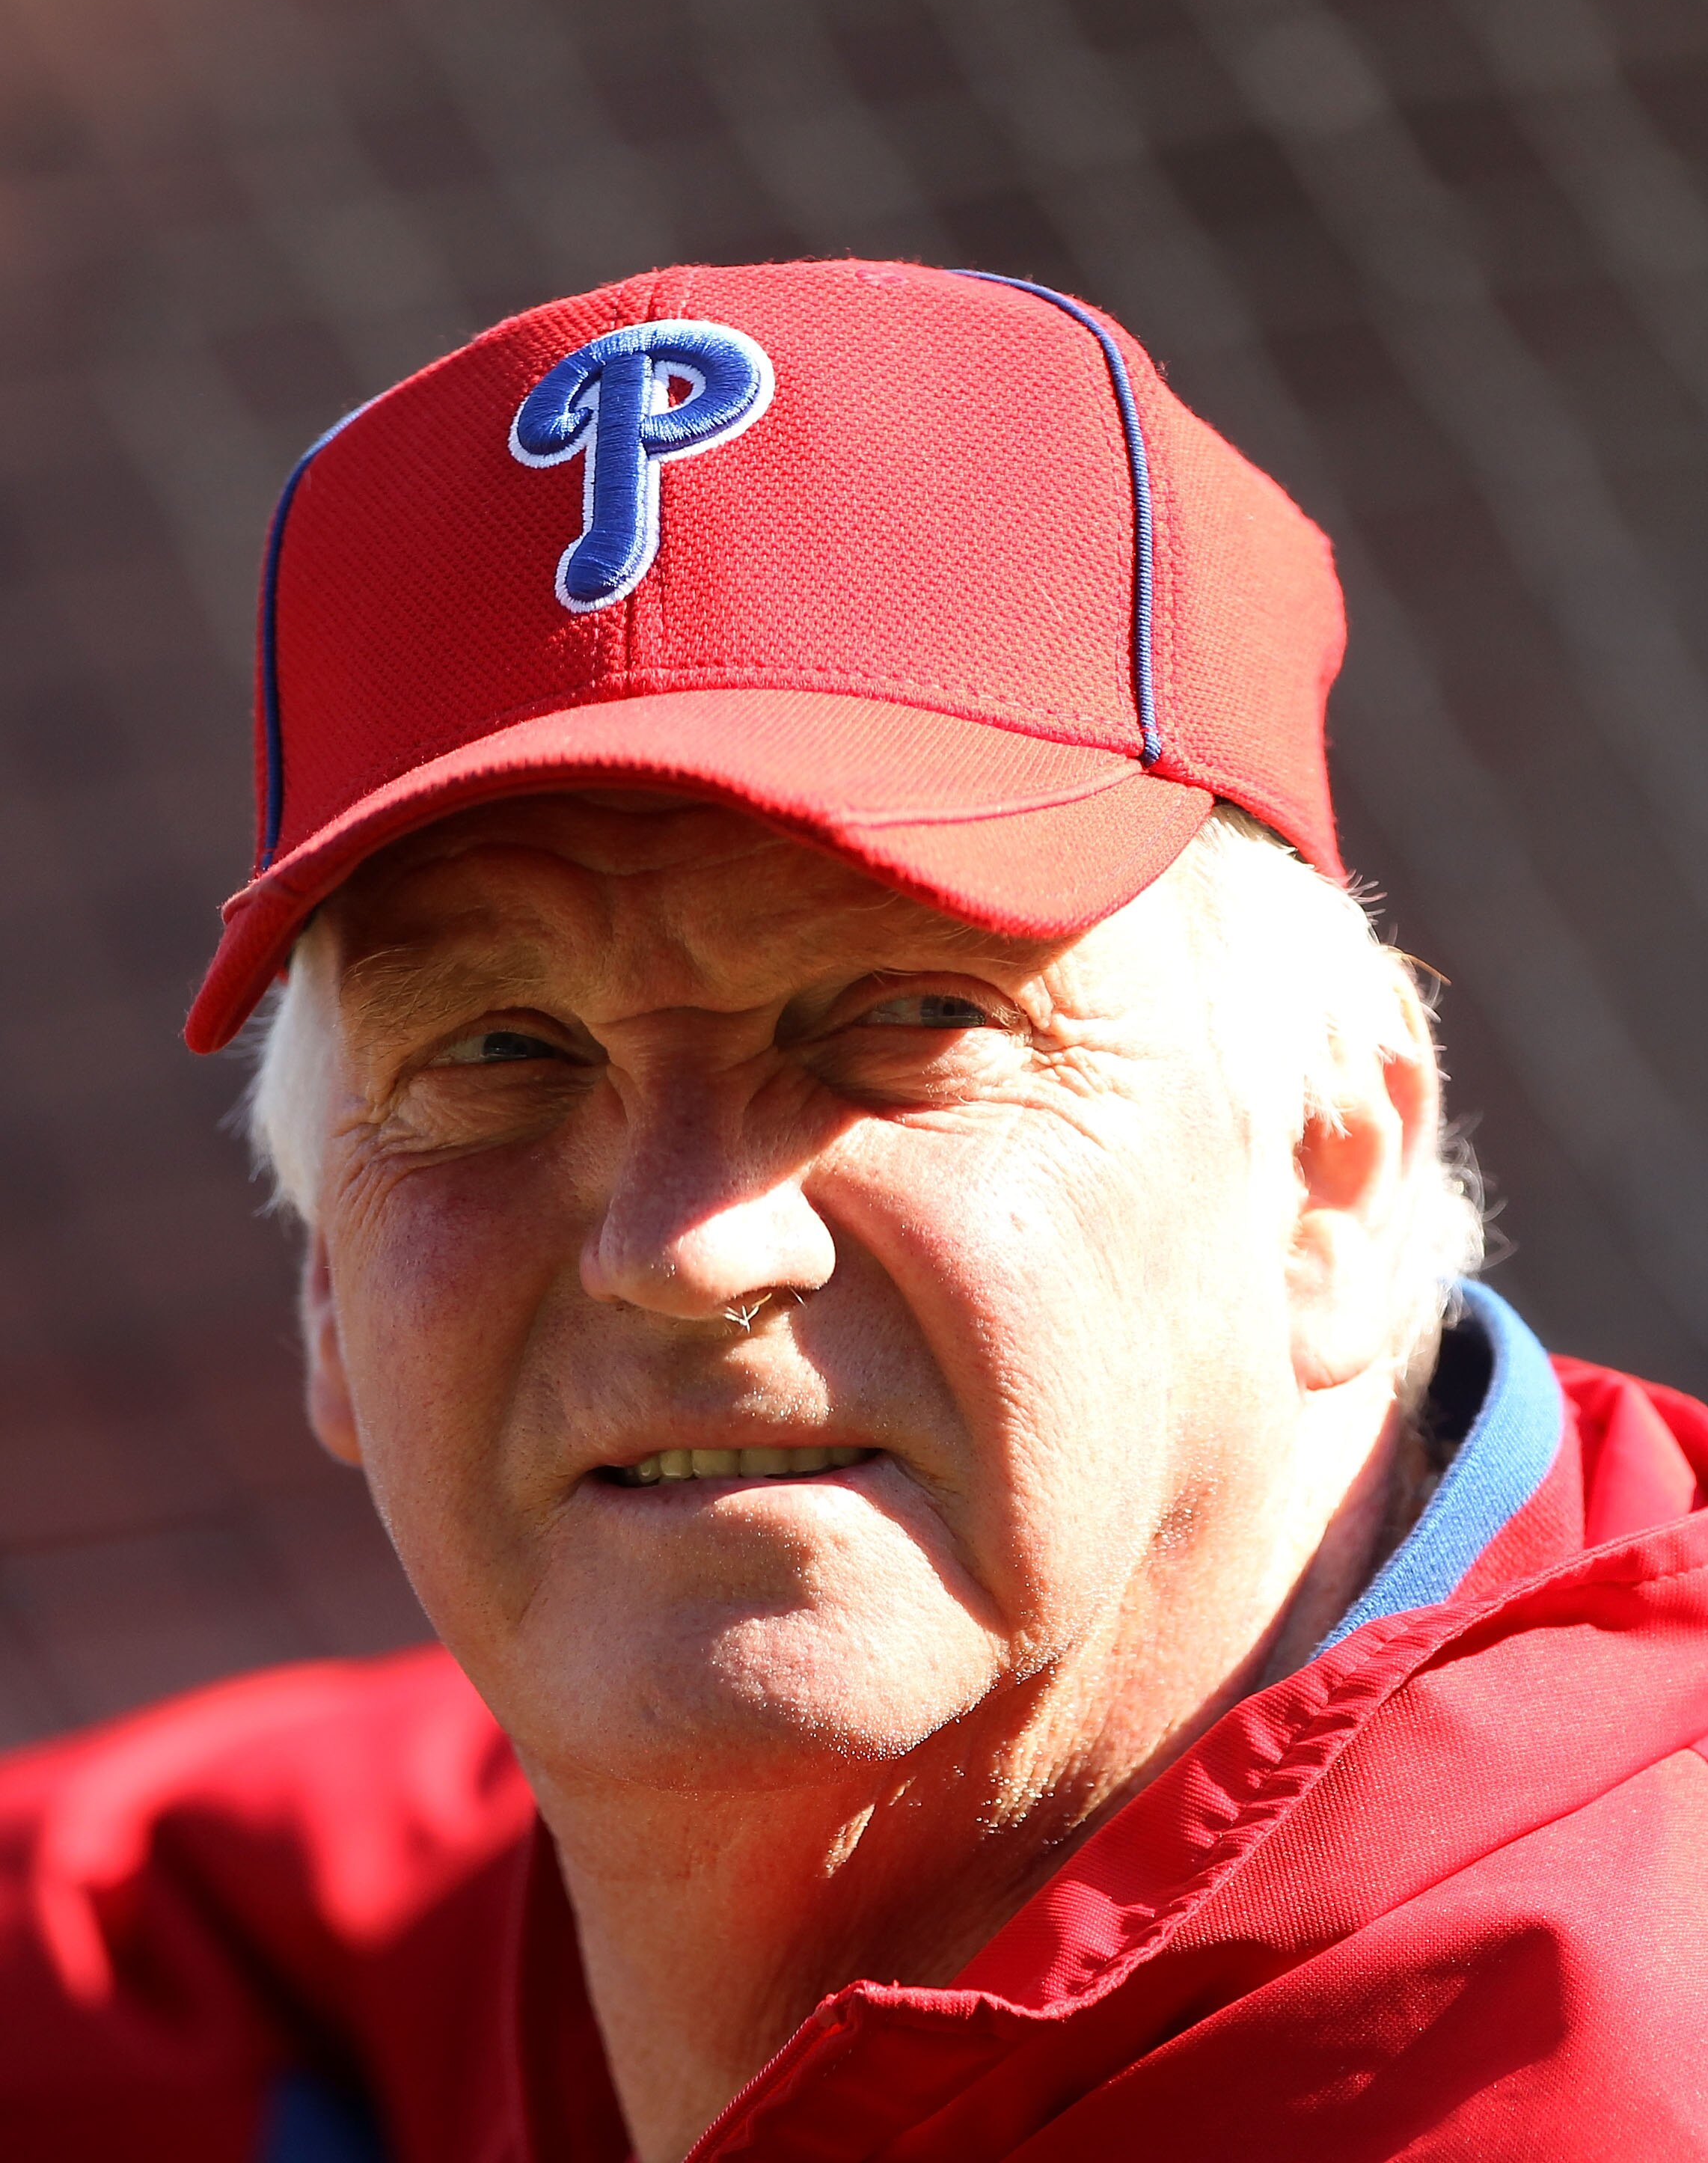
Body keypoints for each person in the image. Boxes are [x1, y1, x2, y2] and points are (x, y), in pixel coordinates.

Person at [2, 260, 1705, 2163]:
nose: (683, 1244)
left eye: (906, 1021)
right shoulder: (609, 1834)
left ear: (1329, 1175)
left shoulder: (1590, 2071)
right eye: (497, 1050)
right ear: (326, 1285)